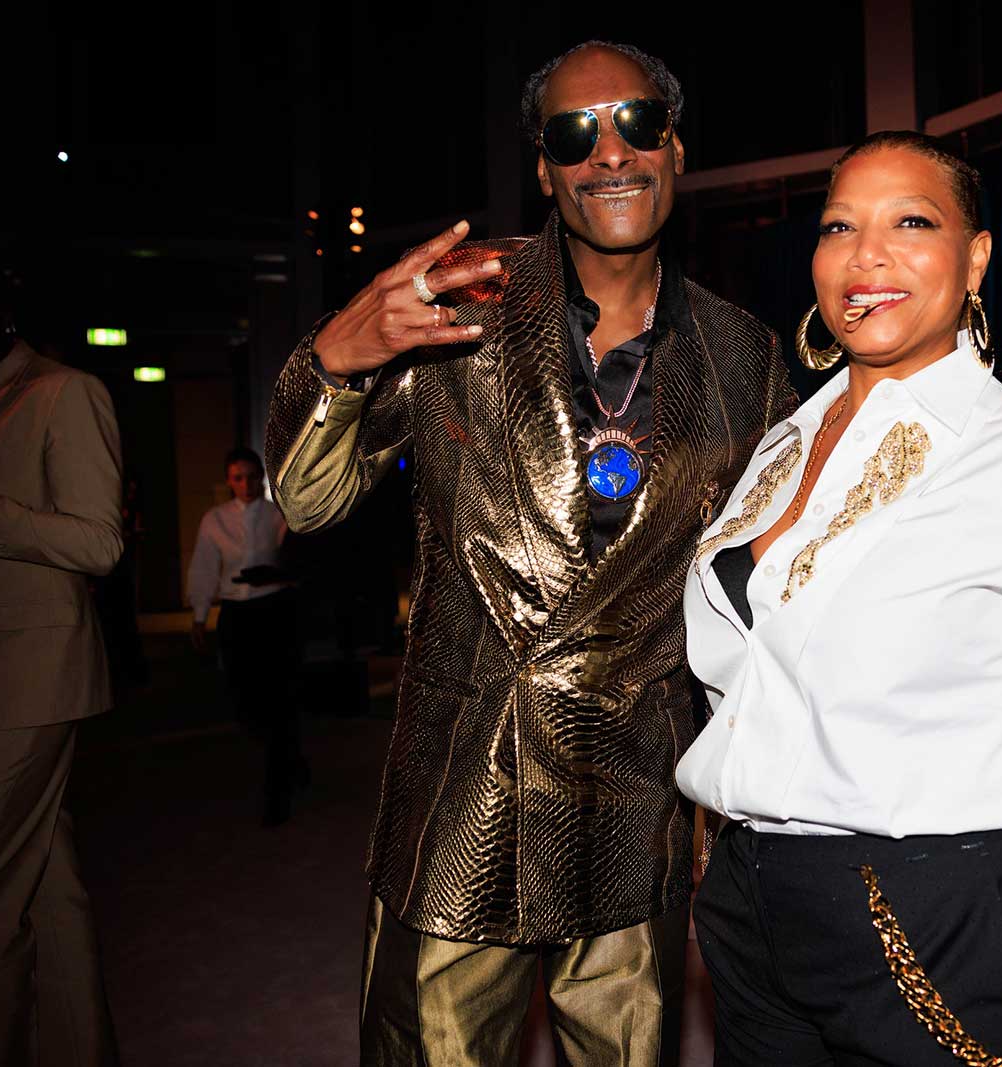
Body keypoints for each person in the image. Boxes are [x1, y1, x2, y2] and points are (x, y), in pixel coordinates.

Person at [264, 40, 794, 1065]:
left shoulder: (744, 356)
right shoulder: (459, 305)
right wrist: (337, 356)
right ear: (546, 171)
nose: (610, 153)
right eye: (573, 134)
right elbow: (309, 499)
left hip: (634, 801)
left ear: (676, 148)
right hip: (462, 792)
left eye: (637, 122)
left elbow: (762, 588)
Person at [679, 131, 1002, 1067]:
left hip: (939, 914)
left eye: (911, 222)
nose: (866, 255)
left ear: (976, 258)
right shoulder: (780, 446)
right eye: (839, 226)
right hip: (753, 909)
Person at [0, 252, 122, 1065]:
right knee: (46, 892)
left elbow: (99, 542)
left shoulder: (63, 391)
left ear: (4, 310)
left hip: (26, 679)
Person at [187, 446, 304, 826]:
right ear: (229, 481)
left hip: (274, 610)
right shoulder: (215, 520)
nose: (247, 484)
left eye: (253, 477)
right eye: (238, 478)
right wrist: (199, 617)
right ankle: (287, 755)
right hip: (237, 613)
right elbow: (205, 567)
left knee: (278, 696)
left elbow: (297, 560)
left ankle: (279, 783)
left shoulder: (277, 514)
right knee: (243, 694)